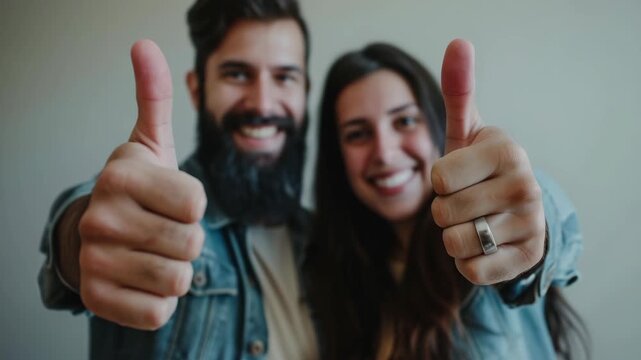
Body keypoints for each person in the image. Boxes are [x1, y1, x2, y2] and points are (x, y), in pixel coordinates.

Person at [38, 0, 318, 358]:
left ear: (305, 91)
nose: (263, 104)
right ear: (197, 89)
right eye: (237, 74)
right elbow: (98, 218)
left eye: (284, 77)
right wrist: (78, 235)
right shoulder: (155, 213)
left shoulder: (327, 242)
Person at [305, 41, 589, 359]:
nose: (384, 153)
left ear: (436, 125)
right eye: (358, 134)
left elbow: (543, 215)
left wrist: (533, 225)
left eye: (405, 121)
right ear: (336, 158)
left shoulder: (481, 244)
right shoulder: (335, 274)